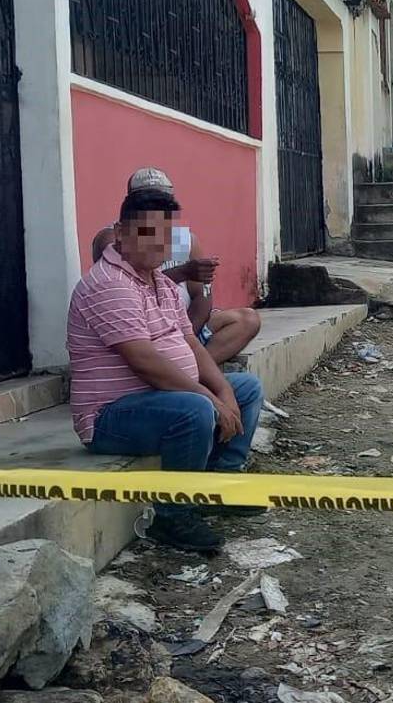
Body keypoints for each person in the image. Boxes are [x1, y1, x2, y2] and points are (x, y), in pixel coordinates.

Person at [69, 189, 265, 552]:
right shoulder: (108, 284)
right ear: (121, 233)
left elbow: (191, 343)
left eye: (164, 234)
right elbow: (144, 362)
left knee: (246, 389)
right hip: (111, 415)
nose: (157, 243)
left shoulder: (159, 282)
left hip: (158, 400)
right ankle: (173, 516)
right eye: (146, 233)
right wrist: (210, 398)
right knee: (195, 409)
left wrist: (222, 391)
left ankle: (221, 484)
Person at [90, 169, 261, 365]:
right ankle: (186, 373)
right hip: (141, 331)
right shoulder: (115, 237)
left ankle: (190, 372)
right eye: (148, 198)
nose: (157, 205)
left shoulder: (185, 238)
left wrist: (183, 336)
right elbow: (133, 286)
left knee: (248, 320)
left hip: (183, 325)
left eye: (163, 199)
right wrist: (184, 272)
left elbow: (202, 296)